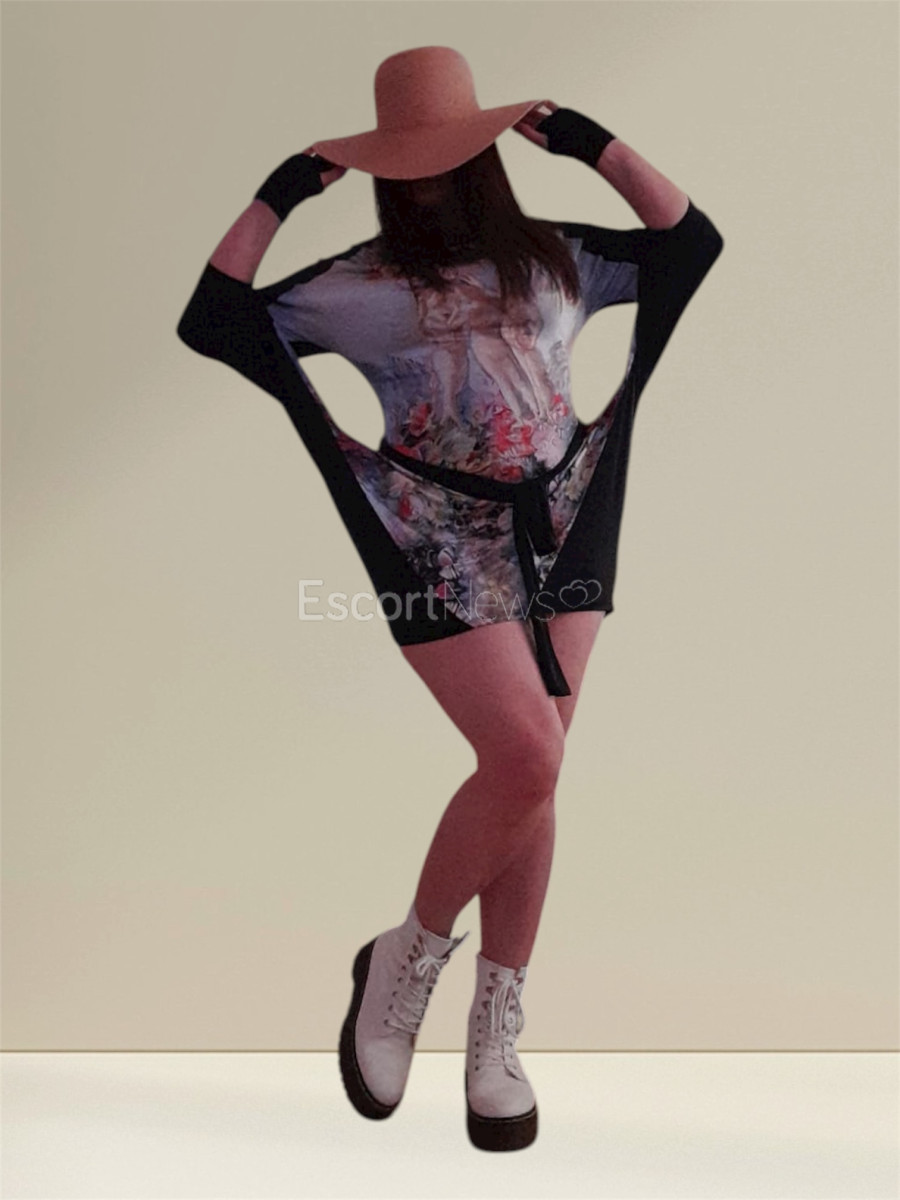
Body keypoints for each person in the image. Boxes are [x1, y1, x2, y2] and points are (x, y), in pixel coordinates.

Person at [176, 45, 724, 1153]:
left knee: (539, 769)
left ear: (484, 154)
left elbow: (690, 244)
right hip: (433, 535)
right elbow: (214, 317)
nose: (427, 176)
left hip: (566, 516)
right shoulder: (349, 287)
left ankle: (494, 1031)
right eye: (406, 162)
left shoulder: (559, 257)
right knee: (525, 756)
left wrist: (594, 145)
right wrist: (279, 195)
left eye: (447, 154)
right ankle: (407, 961)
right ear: (381, 172)